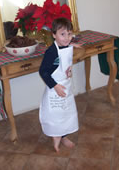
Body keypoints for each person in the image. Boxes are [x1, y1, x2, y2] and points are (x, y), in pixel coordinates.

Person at [39, 17, 82, 152]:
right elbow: (43, 71)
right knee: (56, 115)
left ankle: (64, 136)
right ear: (54, 35)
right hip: (55, 89)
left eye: (69, 34)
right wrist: (55, 86)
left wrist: (72, 46)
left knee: (66, 114)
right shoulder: (51, 52)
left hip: (66, 87)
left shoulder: (66, 45)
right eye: (62, 34)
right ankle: (56, 137)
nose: (67, 38)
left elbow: (65, 47)